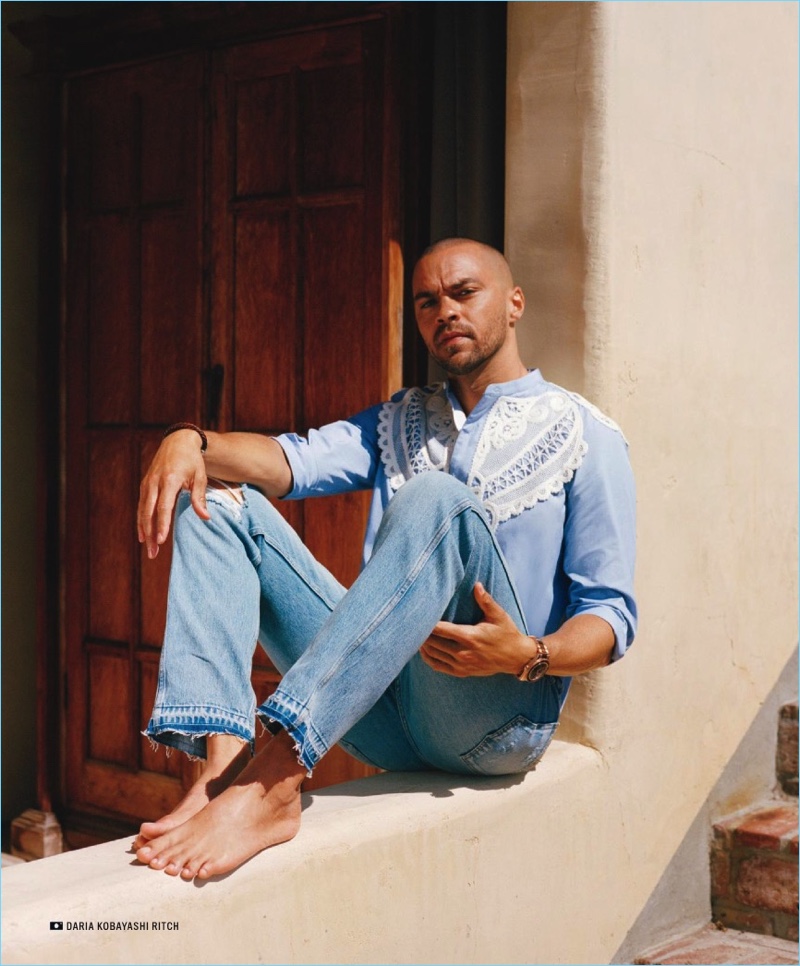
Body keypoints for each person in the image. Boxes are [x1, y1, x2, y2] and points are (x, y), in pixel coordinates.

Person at [133, 237, 636, 881]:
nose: (444, 312)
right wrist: (190, 440)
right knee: (222, 500)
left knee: (436, 498)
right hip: (387, 711)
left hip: (494, 720)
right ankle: (223, 765)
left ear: (513, 304)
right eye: (428, 302)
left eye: (463, 293)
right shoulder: (401, 419)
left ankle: (272, 787)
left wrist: (527, 655)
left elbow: (610, 617)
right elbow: (292, 461)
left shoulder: (586, 432)